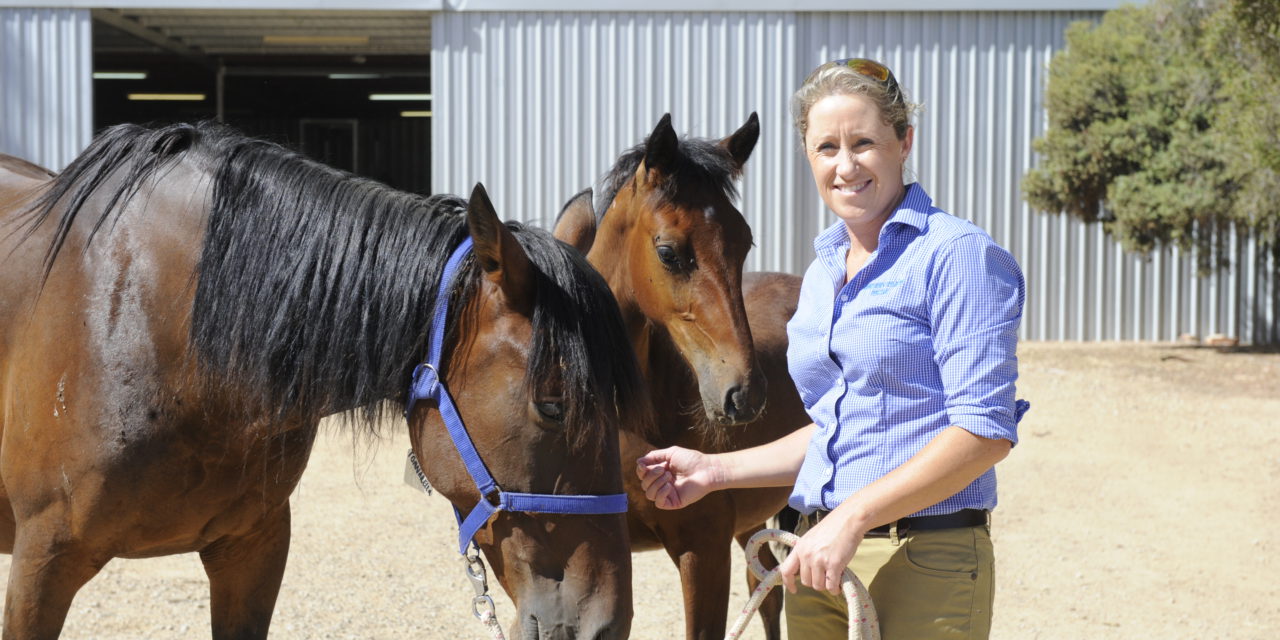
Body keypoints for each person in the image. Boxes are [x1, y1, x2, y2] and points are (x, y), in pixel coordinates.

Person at [635, 58, 1028, 640]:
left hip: (923, 557)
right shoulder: (824, 274)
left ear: (904, 142)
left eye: (863, 142)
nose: (845, 166)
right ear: (807, 156)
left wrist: (852, 518)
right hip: (817, 559)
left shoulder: (956, 256)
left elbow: (984, 430)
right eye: (826, 148)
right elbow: (835, 430)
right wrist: (715, 471)